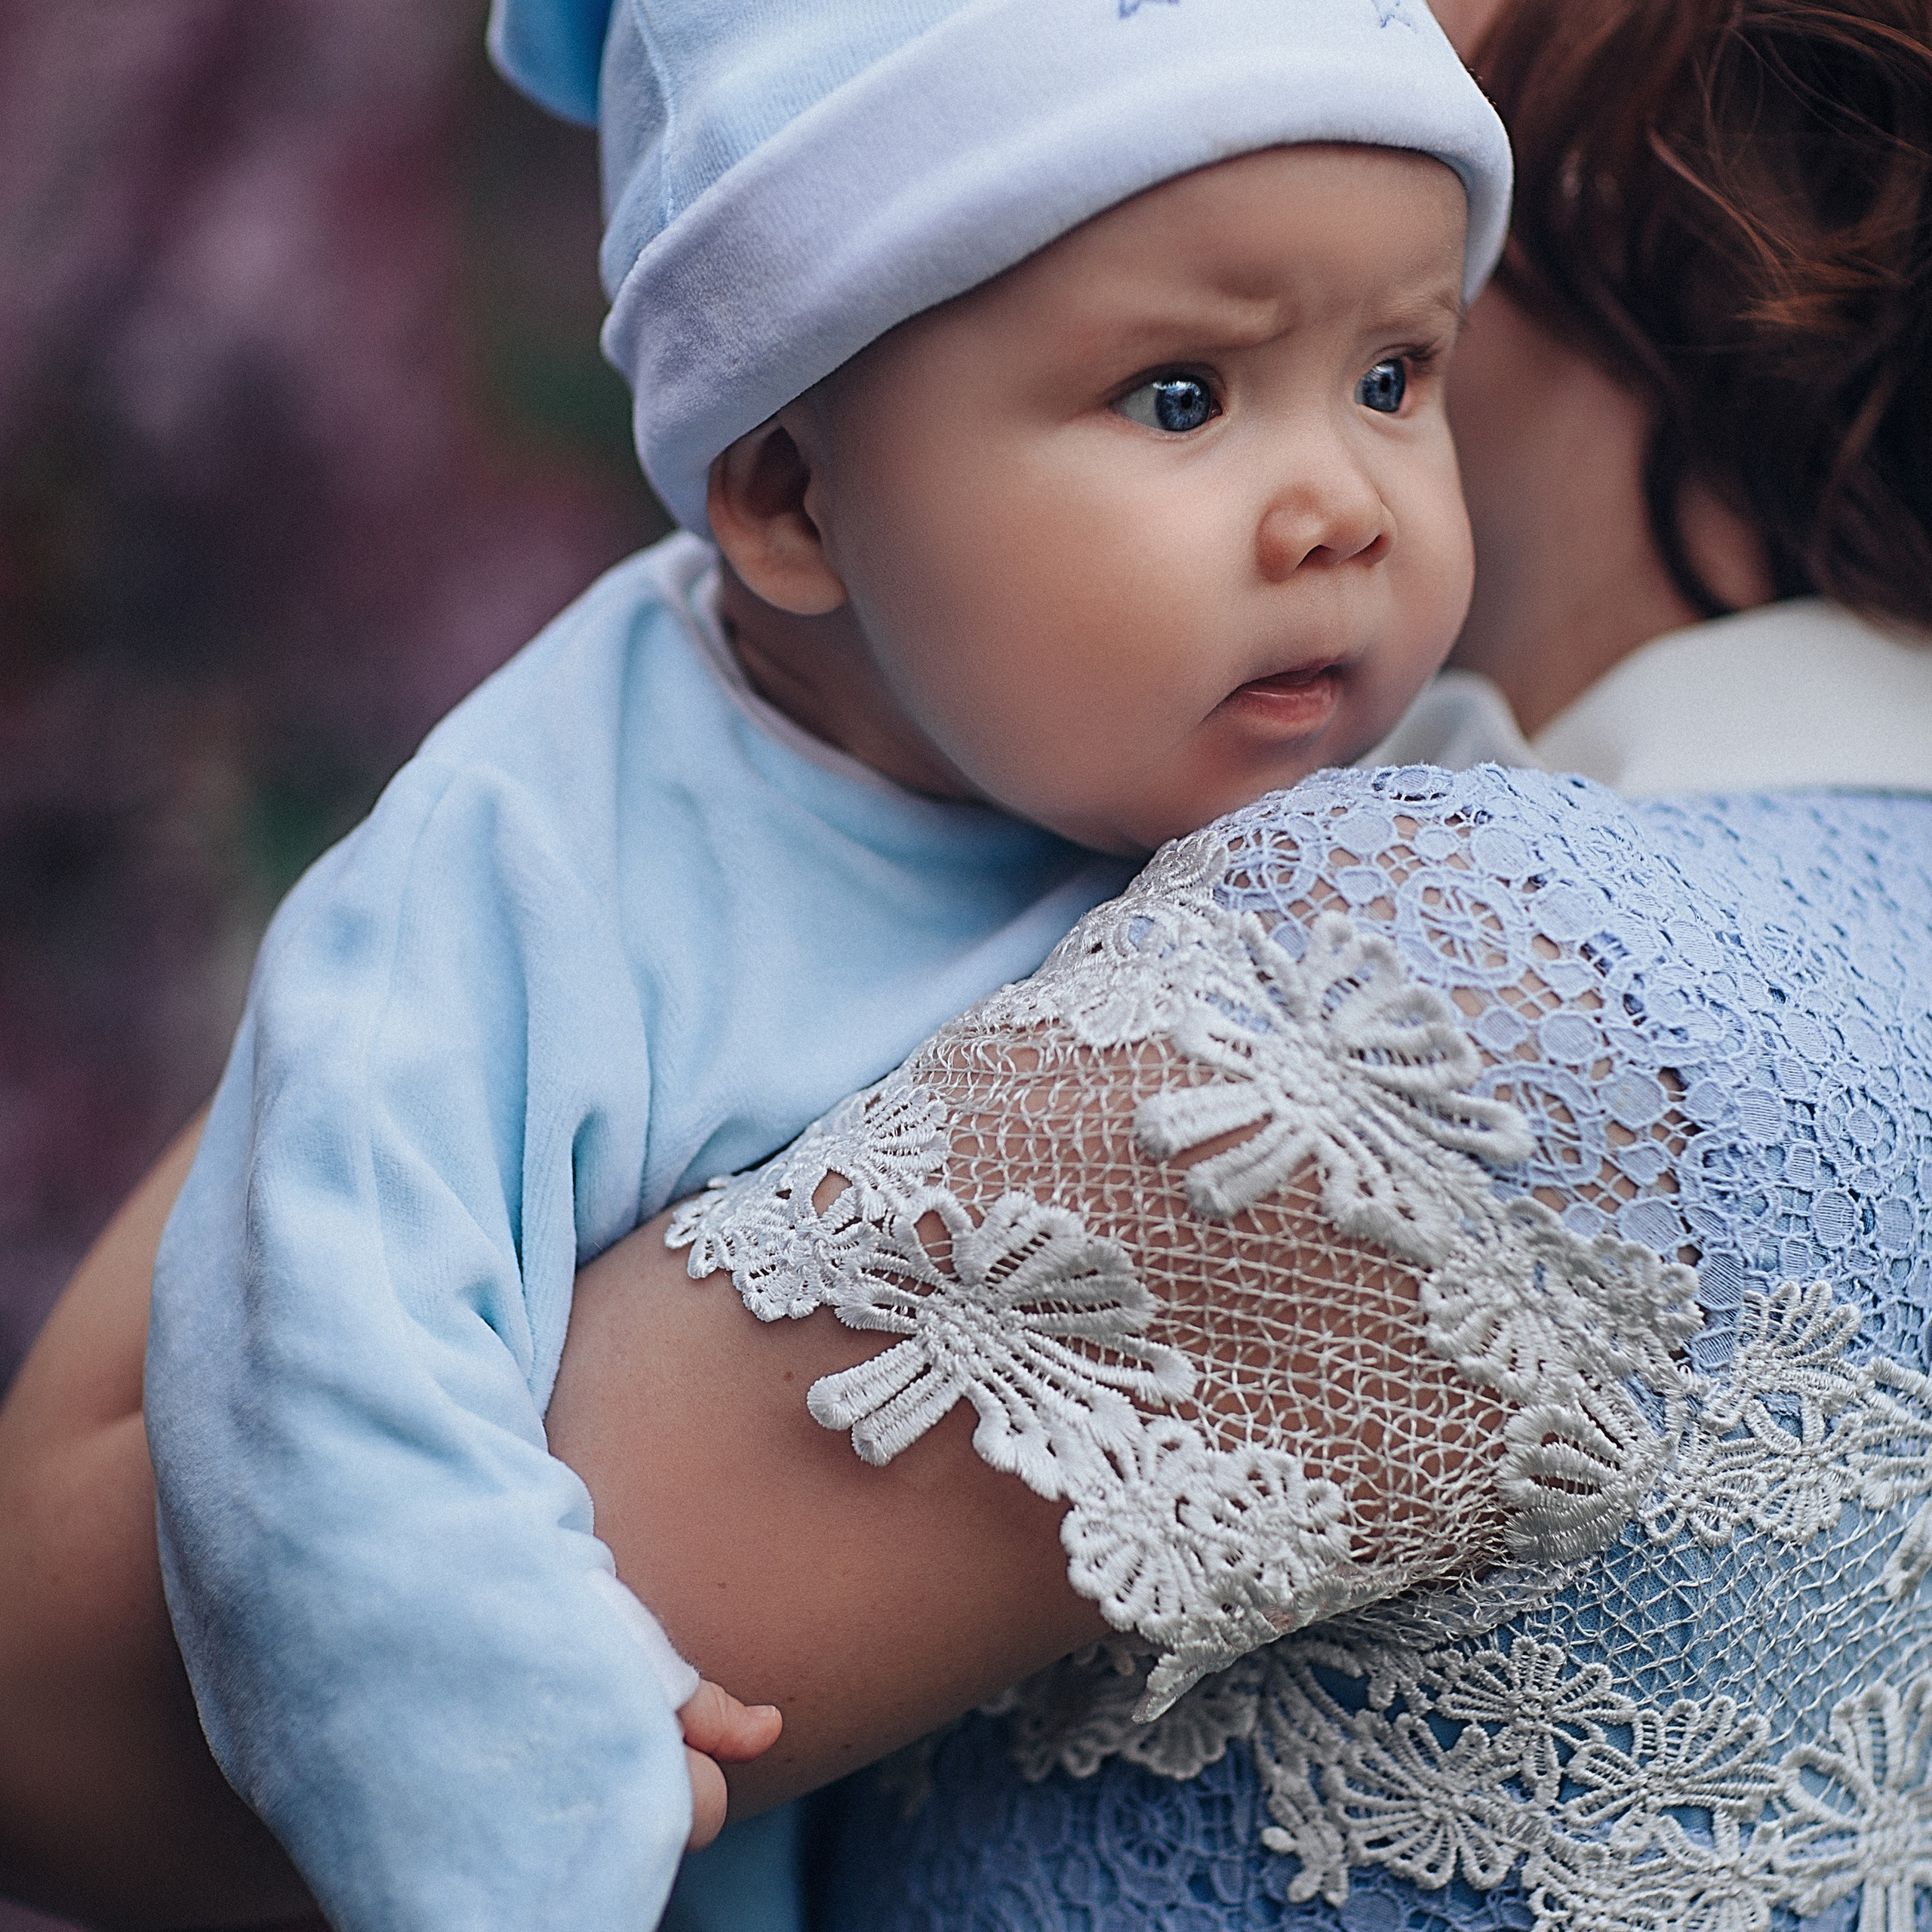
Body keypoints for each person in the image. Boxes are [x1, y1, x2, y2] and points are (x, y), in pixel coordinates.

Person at [6, 0, 1931, 1927]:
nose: (1342, 501)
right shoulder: (555, 836)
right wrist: (511, 1787)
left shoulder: (1403, 917)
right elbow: (327, 1315)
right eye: (1179, 397)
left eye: (1389, 376)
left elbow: (49, 1690)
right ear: (785, 497)